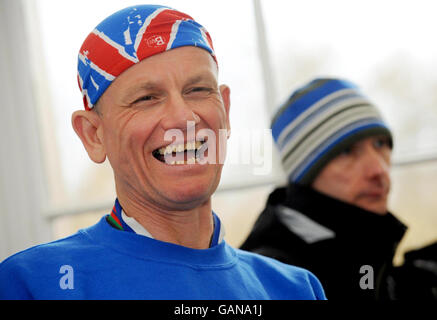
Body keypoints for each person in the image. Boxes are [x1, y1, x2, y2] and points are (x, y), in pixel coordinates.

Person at [0, 5, 325, 300]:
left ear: (224, 110)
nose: (183, 118)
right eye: (146, 98)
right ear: (93, 134)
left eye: (198, 90)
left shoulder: (294, 289)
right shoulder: (32, 284)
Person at [240, 78, 408, 300]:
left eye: (380, 144)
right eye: (347, 151)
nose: (379, 169)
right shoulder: (271, 280)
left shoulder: (361, 240)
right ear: (306, 172)